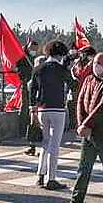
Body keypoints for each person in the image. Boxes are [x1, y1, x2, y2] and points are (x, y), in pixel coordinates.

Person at [57, 53, 103, 203]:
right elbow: (80, 101)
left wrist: (86, 125)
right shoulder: (88, 79)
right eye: (95, 63)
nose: (96, 66)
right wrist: (81, 124)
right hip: (88, 133)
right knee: (83, 169)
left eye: (100, 63)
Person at [30, 41, 73, 190]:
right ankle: (51, 178)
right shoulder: (61, 69)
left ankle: (40, 175)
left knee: (45, 143)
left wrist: (33, 110)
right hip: (58, 109)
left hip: (42, 109)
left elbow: (32, 91)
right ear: (61, 55)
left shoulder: (38, 69)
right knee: (54, 145)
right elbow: (73, 85)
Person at [19, 41, 39, 156]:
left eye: (35, 49)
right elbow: (20, 71)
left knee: (34, 113)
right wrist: (27, 79)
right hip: (27, 86)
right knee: (26, 109)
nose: (34, 51)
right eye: (32, 49)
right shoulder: (23, 59)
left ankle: (33, 143)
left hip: (36, 88)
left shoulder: (36, 59)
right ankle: (23, 131)